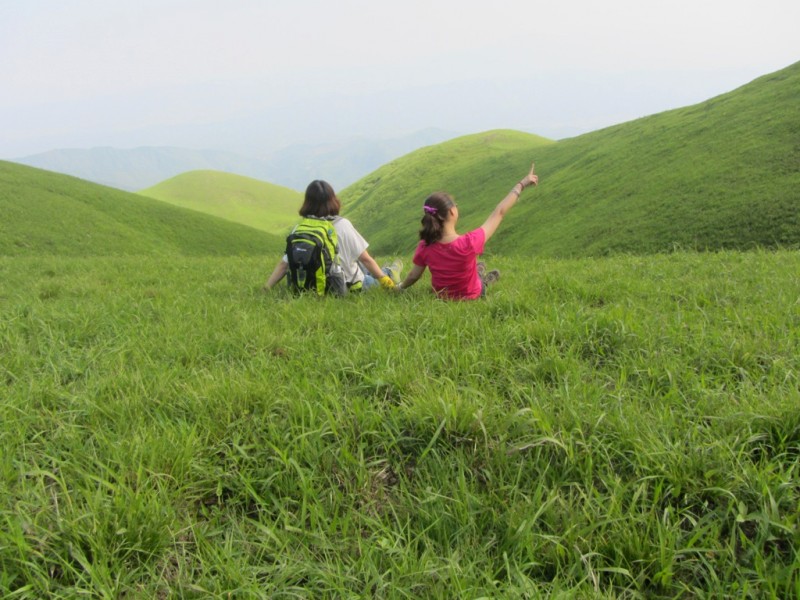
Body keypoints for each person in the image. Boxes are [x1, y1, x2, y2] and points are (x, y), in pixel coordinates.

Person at [397, 163, 538, 300]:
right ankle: (484, 278)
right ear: (452, 211)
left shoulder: (425, 245)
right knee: (478, 281)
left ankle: (478, 270)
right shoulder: (469, 242)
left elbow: (414, 276)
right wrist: (521, 184)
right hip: (471, 295)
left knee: (472, 268)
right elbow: (499, 212)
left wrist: (400, 287)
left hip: (442, 297)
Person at [262, 179, 400, 292]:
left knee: (359, 265)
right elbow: (366, 259)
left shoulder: (300, 229)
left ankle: (384, 270)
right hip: (346, 286)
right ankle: (389, 271)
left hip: (311, 286)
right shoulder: (343, 224)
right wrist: (386, 282)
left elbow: (284, 265)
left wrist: (266, 288)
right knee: (366, 272)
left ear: (307, 202)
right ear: (332, 200)